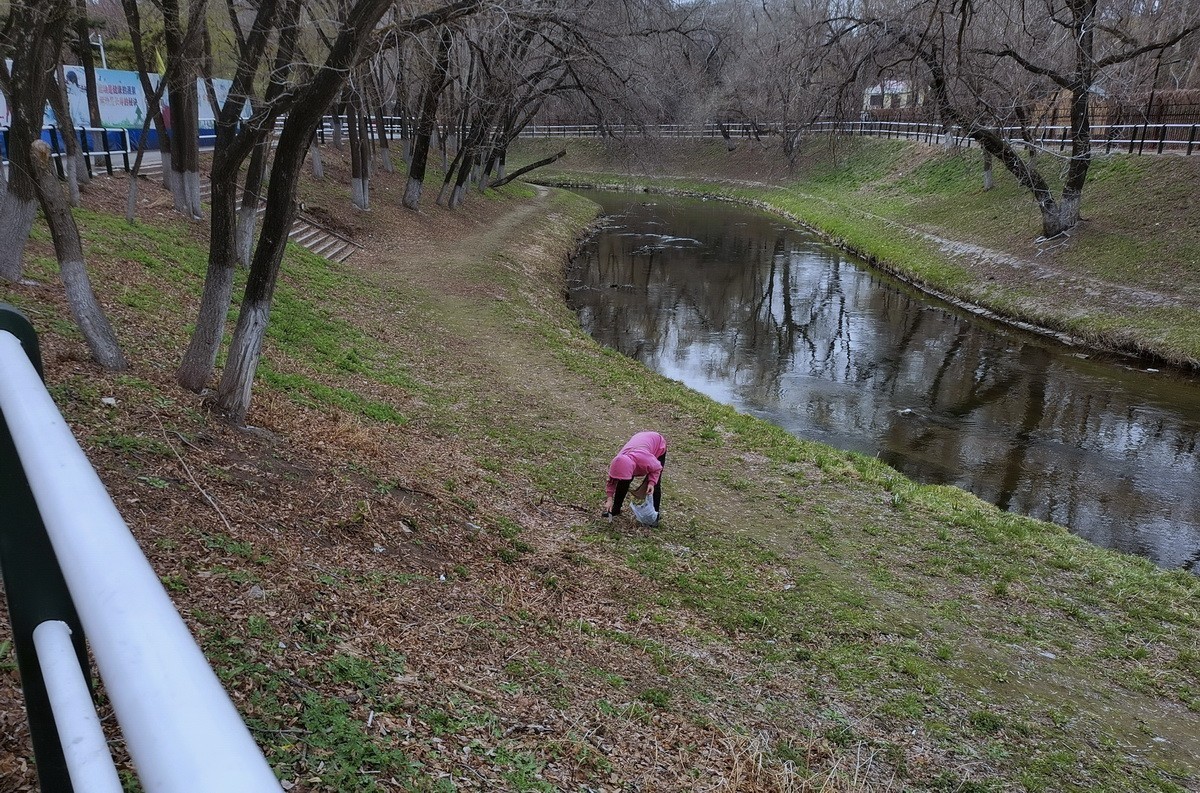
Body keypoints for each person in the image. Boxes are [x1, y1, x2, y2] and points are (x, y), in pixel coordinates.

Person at [602, 431, 667, 522]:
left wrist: (652, 482)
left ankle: (654, 515)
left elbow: (657, 468)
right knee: (623, 481)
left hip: (657, 443)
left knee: (654, 485)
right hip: (639, 439)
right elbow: (611, 481)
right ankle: (615, 509)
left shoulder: (645, 460)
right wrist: (609, 499)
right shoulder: (618, 462)